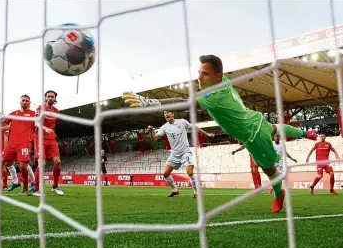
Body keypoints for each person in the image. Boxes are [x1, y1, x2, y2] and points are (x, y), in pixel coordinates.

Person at [123, 54, 317, 213]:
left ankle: (278, 194)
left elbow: (182, 103)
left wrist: (151, 102)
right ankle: (305, 133)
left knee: (269, 169)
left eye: (205, 74)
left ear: (217, 77)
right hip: (254, 119)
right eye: (199, 73)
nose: (199, 77)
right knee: (274, 128)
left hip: (252, 135)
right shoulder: (223, 81)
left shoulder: (211, 97)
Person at [148, 110, 214, 198]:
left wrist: (207, 134)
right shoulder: (164, 127)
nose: (166, 114)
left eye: (168, 112)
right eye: (164, 113)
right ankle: (175, 190)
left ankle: (196, 192)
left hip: (185, 152)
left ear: (173, 114)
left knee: (190, 172)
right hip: (174, 154)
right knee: (165, 174)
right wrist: (150, 132)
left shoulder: (182, 122)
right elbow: (155, 138)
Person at [2, 95, 35, 195]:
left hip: (25, 143)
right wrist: (0, 127)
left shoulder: (33, 114)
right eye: (23, 100)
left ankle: (26, 187)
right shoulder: (13, 114)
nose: (25, 102)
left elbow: (37, 123)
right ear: (20, 102)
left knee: (23, 166)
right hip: (12, 143)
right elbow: (3, 123)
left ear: (29, 103)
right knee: (2, 162)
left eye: (27, 101)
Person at [33, 90, 64, 196]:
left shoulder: (56, 111)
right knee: (42, 163)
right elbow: (36, 122)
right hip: (40, 138)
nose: (50, 98)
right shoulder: (40, 108)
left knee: (57, 161)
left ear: (55, 99)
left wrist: (50, 131)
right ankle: (36, 190)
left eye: (52, 96)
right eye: (48, 96)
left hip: (51, 138)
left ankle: (55, 186)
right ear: (45, 98)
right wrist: (45, 129)